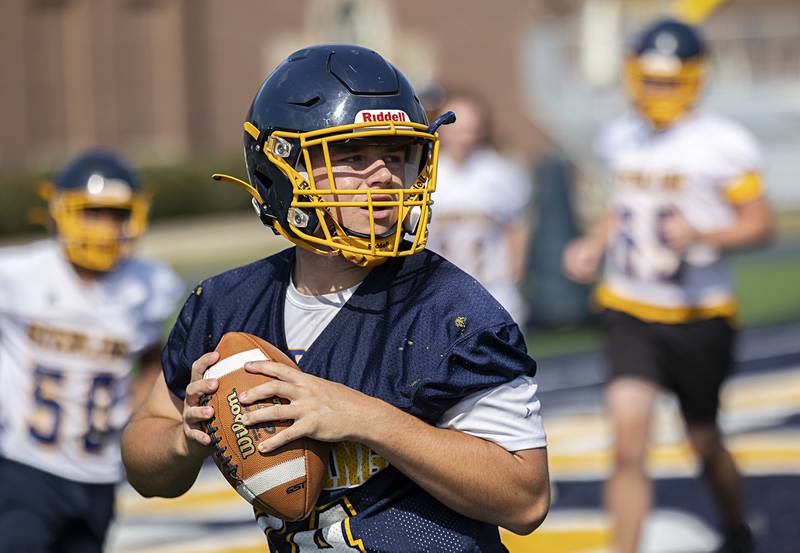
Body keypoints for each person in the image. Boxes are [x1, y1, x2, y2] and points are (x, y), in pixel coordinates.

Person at [121, 44, 550, 552]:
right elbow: (146, 464)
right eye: (351, 157)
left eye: (395, 156)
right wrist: (183, 441)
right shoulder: (225, 305)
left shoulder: (452, 311)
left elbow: (525, 500)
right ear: (280, 169)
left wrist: (366, 418)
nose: (385, 177)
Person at [562, 19, 773, 553]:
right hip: (629, 309)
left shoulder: (723, 144)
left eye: (667, 82)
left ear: (694, 79)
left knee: (703, 440)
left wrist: (703, 234)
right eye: (648, 80)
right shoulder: (621, 135)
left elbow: (760, 222)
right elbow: (623, 209)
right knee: (628, 445)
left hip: (699, 315)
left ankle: (735, 525)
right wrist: (595, 242)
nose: (655, 92)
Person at [0, 150, 184, 553]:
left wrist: (143, 408)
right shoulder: (20, 275)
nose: (104, 229)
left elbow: (151, 355)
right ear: (60, 214)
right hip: (25, 467)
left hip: (100, 473)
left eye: (114, 215)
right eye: (92, 213)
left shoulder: (148, 284)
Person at [425, 91, 533, 325]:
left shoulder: (501, 172)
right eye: (458, 125)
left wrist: (513, 273)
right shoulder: (425, 173)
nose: (464, 134)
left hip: (493, 289)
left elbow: (518, 227)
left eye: (470, 126)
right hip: (438, 292)